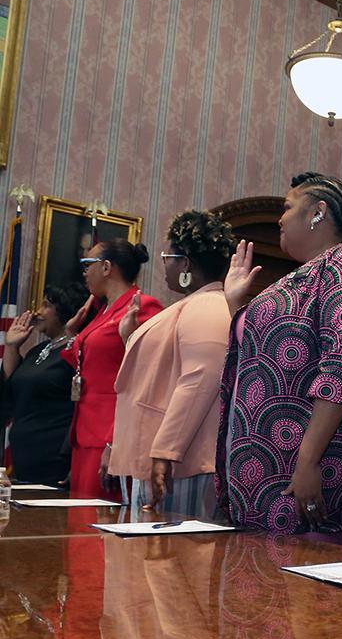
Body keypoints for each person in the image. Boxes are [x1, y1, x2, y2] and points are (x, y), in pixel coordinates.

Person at [216, 172, 342, 545]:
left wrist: (308, 461)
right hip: (265, 477)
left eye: (288, 207)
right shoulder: (299, 277)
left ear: (318, 212)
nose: (280, 218)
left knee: (314, 601)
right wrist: (235, 303)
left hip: (315, 480)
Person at [108, 210, 235, 518]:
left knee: (173, 559)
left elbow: (201, 378)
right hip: (170, 458)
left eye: (168, 256)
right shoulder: (191, 305)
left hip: (184, 463)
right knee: (150, 558)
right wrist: (129, 337)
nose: (164, 264)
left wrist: (165, 450)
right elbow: (163, 371)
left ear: (186, 264)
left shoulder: (208, 306)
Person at [60, 239, 163, 499]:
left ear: (107, 267)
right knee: (77, 526)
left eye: (88, 264)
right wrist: (72, 333)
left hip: (110, 433)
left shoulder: (141, 307)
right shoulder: (102, 310)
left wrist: (113, 440)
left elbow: (145, 377)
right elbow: (87, 363)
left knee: (96, 528)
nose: (84, 272)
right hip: (84, 431)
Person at [1, 282, 89, 484]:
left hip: (55, 458)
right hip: (26, 457)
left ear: (66, 309)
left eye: (46, 305)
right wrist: (12, 347)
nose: (37, 312)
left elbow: (83, 405)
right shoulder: (38, 350)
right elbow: (9, 390)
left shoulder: (77, 350)